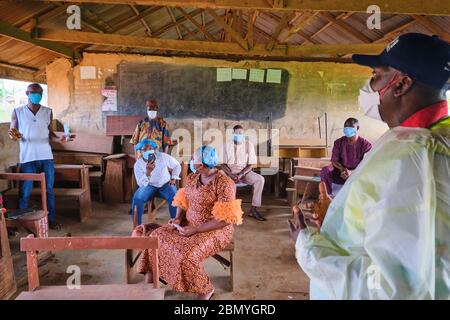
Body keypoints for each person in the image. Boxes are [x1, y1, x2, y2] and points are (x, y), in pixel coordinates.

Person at [289, 33, 450, 299]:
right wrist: (340, 221)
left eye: (376, 75)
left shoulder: (416, 158)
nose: (369, 87)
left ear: (401, 85)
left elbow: (395, 288)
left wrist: (308, 248)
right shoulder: (421, 141)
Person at [132, 145, 243, 300]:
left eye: (194, 159)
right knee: (156, 237)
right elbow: (183, 199)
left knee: (187, 255)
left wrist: (195, 230)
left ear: (202, 165)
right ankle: (152, 281)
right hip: (188, 223)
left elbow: (224, 220)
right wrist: (178, 218)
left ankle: (205, 290)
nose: (191, 161)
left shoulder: (224, 183)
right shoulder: (192, 177)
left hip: (215, 230)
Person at [8, 83, 72, 230]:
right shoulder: (18, 111)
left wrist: (60, 139)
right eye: (33, 92)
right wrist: (14, 135)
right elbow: (14, 132)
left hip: (46, 157)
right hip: (28, 157)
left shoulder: (47, 112)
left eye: (39, 92)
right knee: (25, 191)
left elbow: (50, 134)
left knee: (48, 189)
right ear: (27, 93)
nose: (36, 95)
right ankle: (19, 221)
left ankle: (51, 219)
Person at [131, 139, 181, 225]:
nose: (148, 151)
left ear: (154, 149)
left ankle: (175, 224)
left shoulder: (162, 157)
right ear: (140, 151)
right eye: (144, 149)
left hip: (165, 184)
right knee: (137, 198)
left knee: (175, 198)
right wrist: (148, 172)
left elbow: (177, 165)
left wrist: (174, 178)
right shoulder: (138, 164)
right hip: (148, 186)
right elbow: (141, 184)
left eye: (150, 148)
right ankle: (137, 226)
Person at [222, 125, 266, 221]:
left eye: (240, 134)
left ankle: (253, 210)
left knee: (260, 180)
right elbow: (223, 164)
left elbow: (250, 165)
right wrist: (231, 175)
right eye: (236, 133)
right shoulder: (226, 145)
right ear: (233, 134)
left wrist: (241, 174)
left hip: (244, 172)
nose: (238, 135)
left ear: (243, 134)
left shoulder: (248, 145)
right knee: (220, 178)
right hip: (229, 172)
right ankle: (229, 210)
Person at [320, 118, 372, 195]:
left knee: (369, 172)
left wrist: (351, 172)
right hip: (341, 172)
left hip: (357, 173)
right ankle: (327, 195)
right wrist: (342, 170)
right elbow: (334, 161)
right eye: (346, 129)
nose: (348, 131)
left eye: (350, 129)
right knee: (325, 171)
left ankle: (362, 196)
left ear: (357, 128)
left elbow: (366, 163)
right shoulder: (338, 142)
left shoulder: (365, 145)